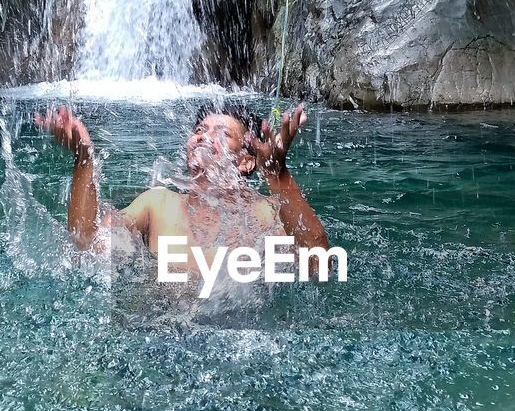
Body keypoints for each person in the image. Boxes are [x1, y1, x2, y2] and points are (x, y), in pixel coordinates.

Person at [34, 101, 330, 283]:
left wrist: (278, 175)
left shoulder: (265, 214)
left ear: (246, 161)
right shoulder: (158, 204)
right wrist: (83, 160)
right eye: (200, 129)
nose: (204, 137)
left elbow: (319, 265)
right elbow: (86, 242)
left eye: (222, 133)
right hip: (156, 337)